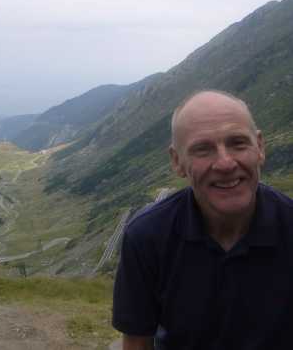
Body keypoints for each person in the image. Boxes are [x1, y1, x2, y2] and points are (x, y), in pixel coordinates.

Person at [112, 90, 293, 350]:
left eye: (238, 143)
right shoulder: (146, 236)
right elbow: (136, 343)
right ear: (177, 161)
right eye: (203, 149)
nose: (225, 163)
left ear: (260, 147)